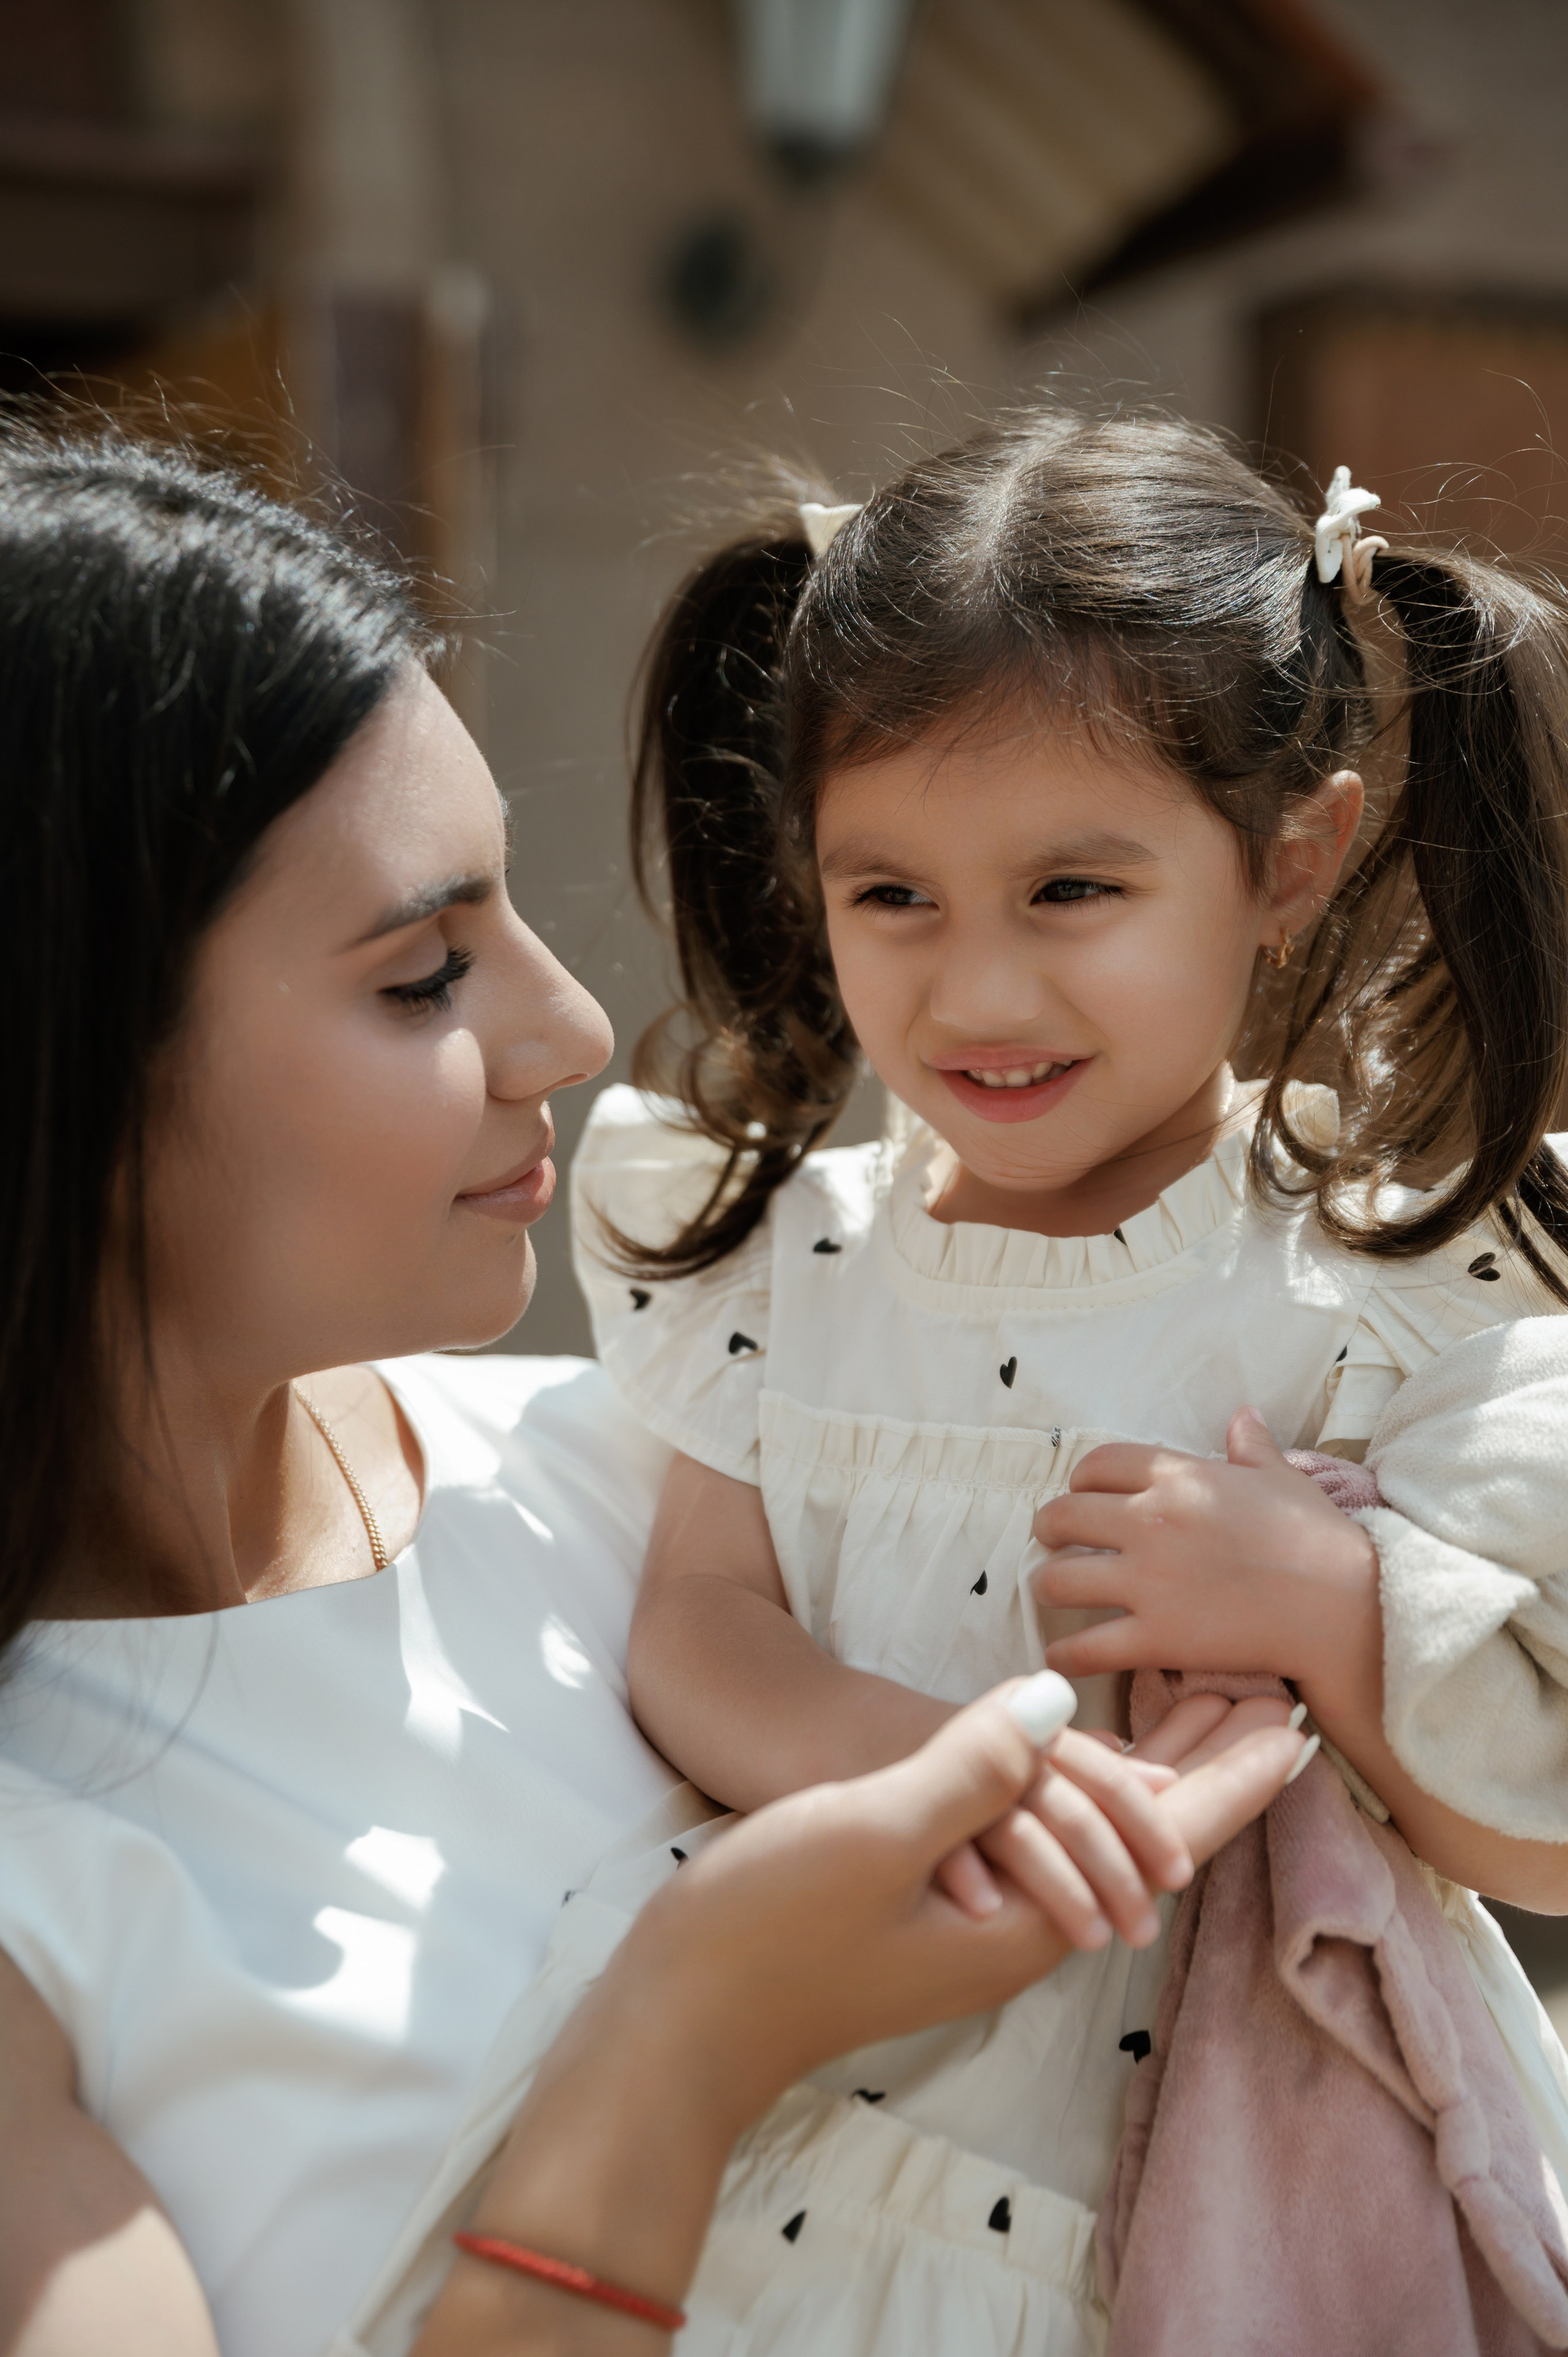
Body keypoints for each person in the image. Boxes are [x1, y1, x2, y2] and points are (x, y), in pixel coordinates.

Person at [0, 420, 1307, 2357]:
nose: (575, 1023)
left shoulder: (664, 1476)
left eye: (510, 910)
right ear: (64, 1056)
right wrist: (687, 2040)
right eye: (422, 974)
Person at [568, 412, 1568, 2350]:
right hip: (824, 2144)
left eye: (1073, 894)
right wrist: (955, 1786)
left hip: (1242, 2199)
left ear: (1294, 859)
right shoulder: (799, 1249)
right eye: (895, 897)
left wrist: (1333, 1613)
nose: (978, 995)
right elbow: (697, 1621)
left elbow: (1540, 1836)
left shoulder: (1387, 1279)